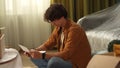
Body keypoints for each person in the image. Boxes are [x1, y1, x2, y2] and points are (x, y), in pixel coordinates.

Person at [24, 3, 91, 68]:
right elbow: (48, 44)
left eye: (54, 20)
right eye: (51, 21)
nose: (52, 23)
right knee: (34, 57)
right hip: (65, 59)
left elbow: (66, 54)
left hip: (75, 63)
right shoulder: (59, 27)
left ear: (62, 17)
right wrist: (35, 51)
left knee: (54, 62)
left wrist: (43, 55)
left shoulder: (74, 30)